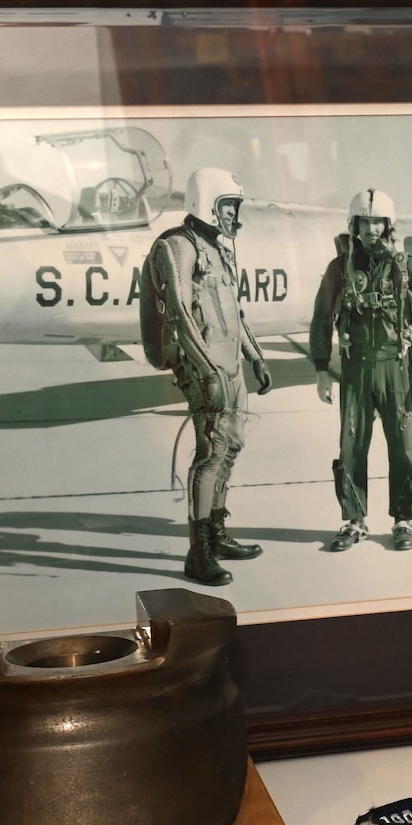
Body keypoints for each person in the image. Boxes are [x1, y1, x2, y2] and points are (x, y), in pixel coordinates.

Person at [143, 168, 272, 587]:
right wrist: (208, 371)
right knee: (211, 453)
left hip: (230, 368)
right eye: (229, 207)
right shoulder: (176, 247)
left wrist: (256, 358)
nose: (236, 217)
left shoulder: (220, 251)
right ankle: (198, 555)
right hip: (206, 370)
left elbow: (237, 314)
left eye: (236, 208)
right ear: (208, 204)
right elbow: (180, 317)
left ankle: (216, 534)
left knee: (231, 447)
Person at [310, 188, 412, 553]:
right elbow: (321, 318)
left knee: (403, 448)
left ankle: (403, 520)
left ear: (388, 226)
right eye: (364, 222)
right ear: (354, 226)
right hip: (354, 372)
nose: (371, 229)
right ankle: (354, 521)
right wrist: (322, 369)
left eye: (377, 222)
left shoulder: (408, 267)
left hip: (396, 370)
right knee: (351, 446)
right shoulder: (339, 269)